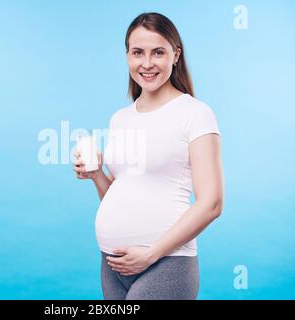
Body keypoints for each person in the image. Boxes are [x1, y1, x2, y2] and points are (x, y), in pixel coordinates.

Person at [72, 12, 224, 300]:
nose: (147, 63)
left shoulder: (195, 114)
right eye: (137, 52)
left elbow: (212, 203)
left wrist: (151, 254)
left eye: (158, 52)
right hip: (112, 264)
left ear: (175, 55)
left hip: (166, 262)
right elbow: (120, 194)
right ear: (127, 56)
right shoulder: (121, 118)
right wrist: (96, 176)